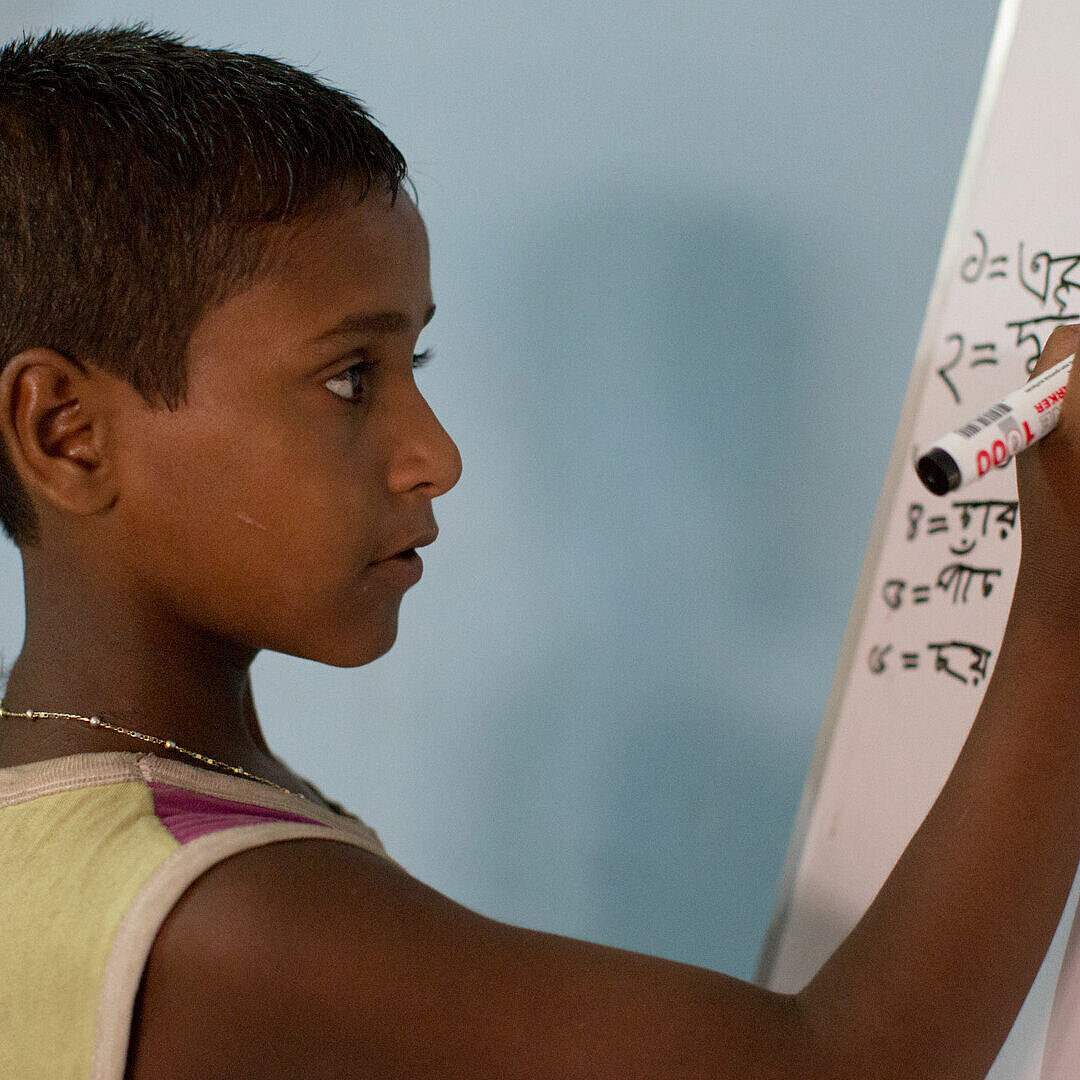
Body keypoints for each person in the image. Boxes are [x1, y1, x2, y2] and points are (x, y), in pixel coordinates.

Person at [0, 24, 1079, 1080]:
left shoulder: (65, 814)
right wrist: (1066, 606)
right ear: (66, 433)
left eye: (414, 358)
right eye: (349, 381)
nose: (436, 455)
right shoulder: (225, 919)